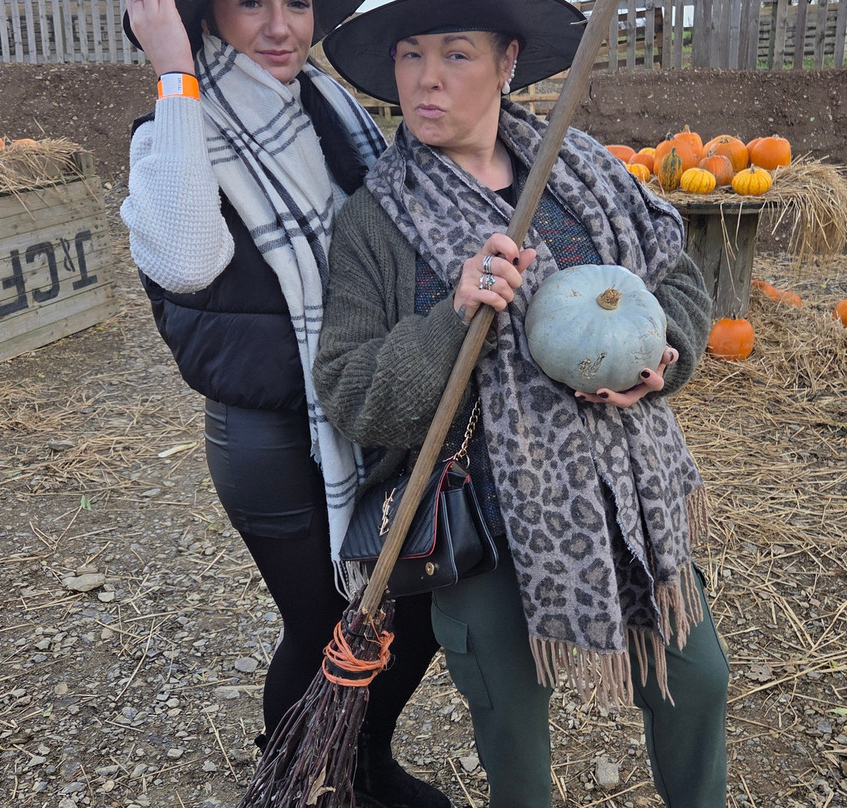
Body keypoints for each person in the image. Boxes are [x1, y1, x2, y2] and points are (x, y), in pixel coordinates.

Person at [314, 0, 730, 806]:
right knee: (513, 737)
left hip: (624, 492)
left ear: (508, 63)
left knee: (699, 679)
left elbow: (673, 276)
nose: (426, 80)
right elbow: (351, 390)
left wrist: (662, 355)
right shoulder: (375, 221)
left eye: (456, 55)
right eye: (410, 55)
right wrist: (453, 317)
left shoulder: (583, 172)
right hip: (484, 515)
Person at [118, 2, 452, 806]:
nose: (280, 28)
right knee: (324, 627)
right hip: (269, 438)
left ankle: (362, 761)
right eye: (251, 3)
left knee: (412, 611)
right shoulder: (172, 131)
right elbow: (187, 263)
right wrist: (174, 70)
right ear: (205, 16)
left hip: (363, 406)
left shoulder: (328, 109)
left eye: (297, 3)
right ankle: (296, 779)